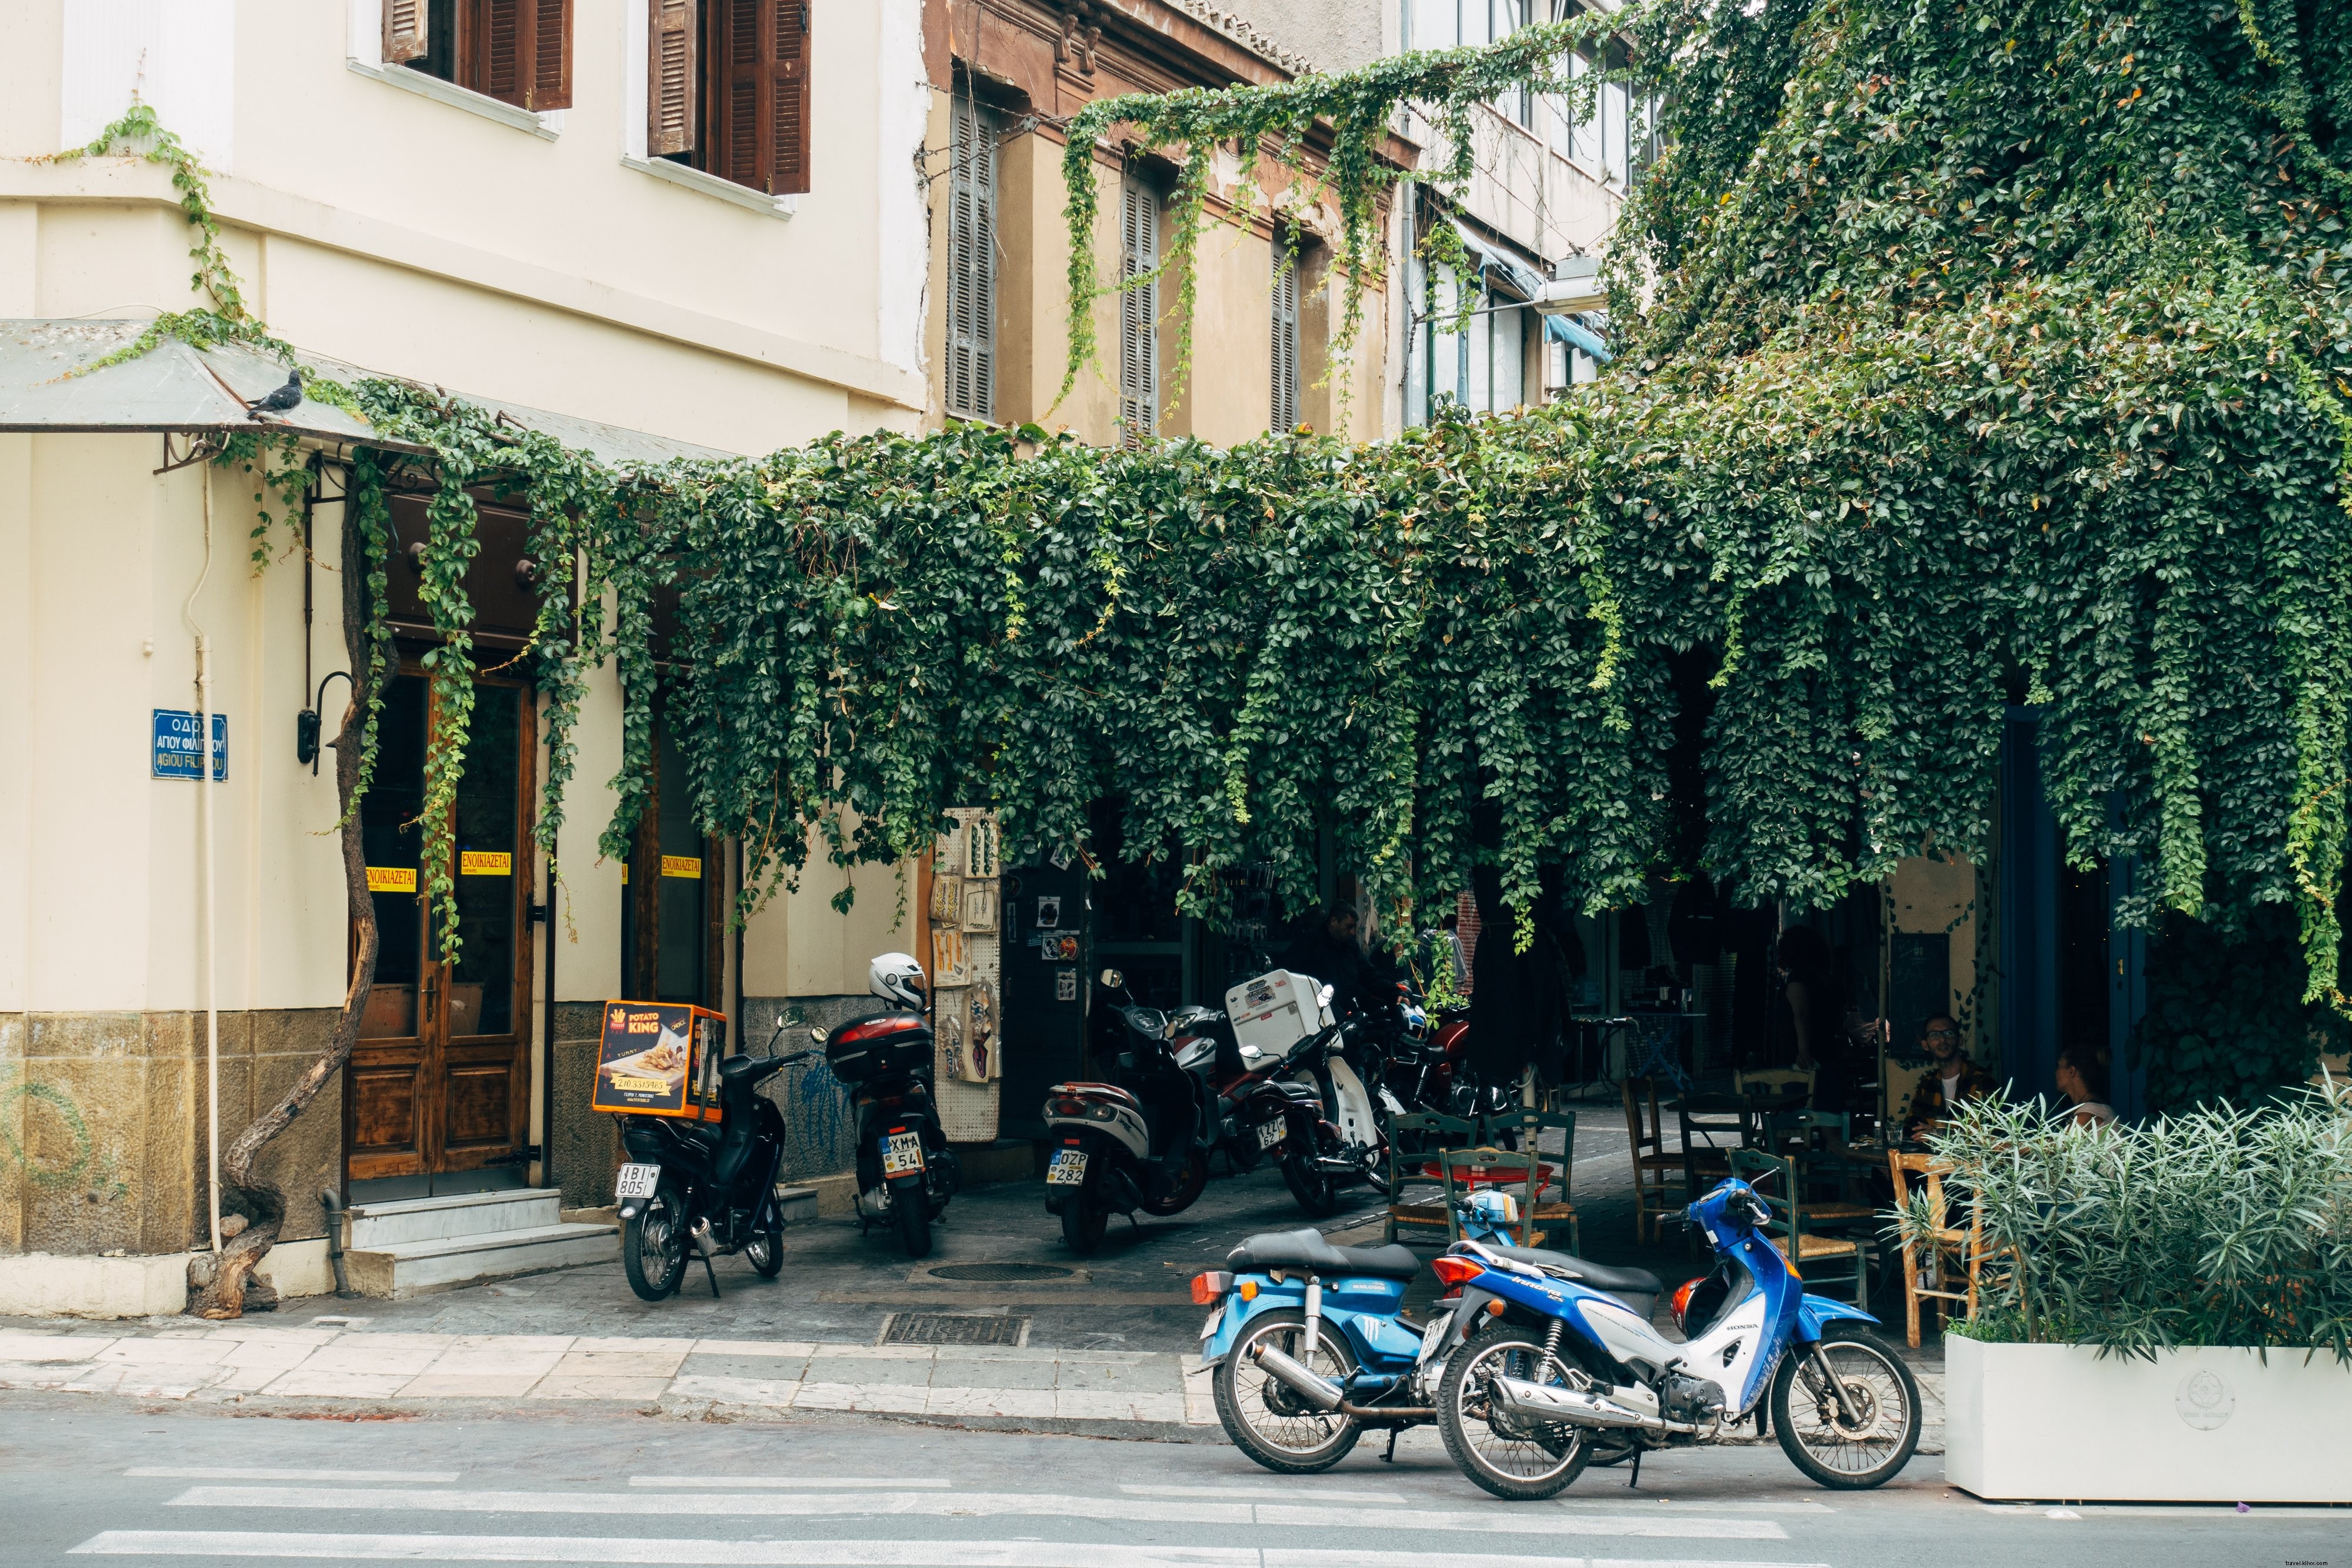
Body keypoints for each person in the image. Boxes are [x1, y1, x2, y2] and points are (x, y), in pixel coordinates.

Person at [1776, 926, 1859, 1111]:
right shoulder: (1830, 980)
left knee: (1788, 1121)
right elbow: (1839, 1020)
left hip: (1800, 1061)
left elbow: (1801, 1014)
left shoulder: (1798, 979)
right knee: (1830, 1123)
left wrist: (1803, 1050)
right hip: (1830, 1055)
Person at [1901, 1014, 1997, 1137]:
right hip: (1930, 1156)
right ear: (1925, 1045)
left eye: (1949, 1033)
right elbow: (1911, 1125)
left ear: (1960, 1040)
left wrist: (1937, 1135)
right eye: (1935, 1035)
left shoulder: (1981, 1079)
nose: (1942, 1039)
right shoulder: (1928, 1083)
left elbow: (1984, 1131)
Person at [1285, 903, 1376, 1020]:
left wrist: (1392, 992)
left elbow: (1367, 972)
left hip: (1342, 1009)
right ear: (1334, 922)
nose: (1353, 932)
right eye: (1349, 927)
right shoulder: (1311, 943)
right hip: (1319, 1011)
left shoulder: (1349, 945)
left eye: (1354, 927)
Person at [2056, 1042, 2117, 1128]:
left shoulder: (2089, 1113)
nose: (2056, 1072)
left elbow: (2060, 1142)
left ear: (2071, 1071)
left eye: (2059, 1066)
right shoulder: (2090, 1109)